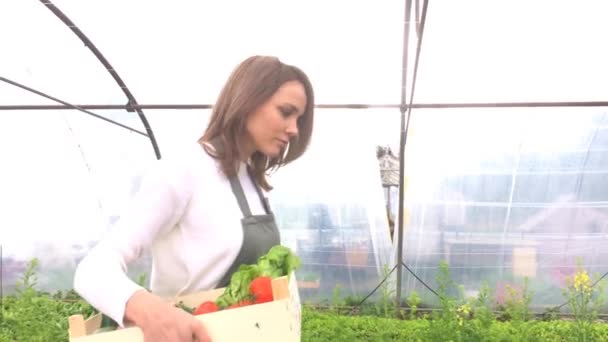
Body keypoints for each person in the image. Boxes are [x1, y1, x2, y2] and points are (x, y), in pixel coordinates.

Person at [73, 55, 315, 342]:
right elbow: (93, 270)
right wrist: (146, 309)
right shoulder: (185, 169)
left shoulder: (253, 182)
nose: (294, 129)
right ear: (248, 100)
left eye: (298, 118)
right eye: (286, 112)